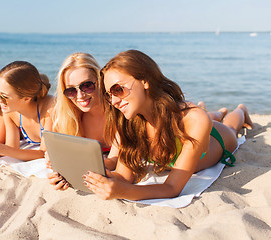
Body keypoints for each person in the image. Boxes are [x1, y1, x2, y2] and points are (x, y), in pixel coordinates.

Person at [83, 50, 253, 200]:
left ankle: (240, 110)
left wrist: (125, 192)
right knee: (206, 117)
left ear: (145, 81)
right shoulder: (130, 122)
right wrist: (91, 175)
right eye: (108, 95)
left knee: (230, 127)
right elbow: (123, 178)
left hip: (217, 140)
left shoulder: (195, 120)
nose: (113, 101)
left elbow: (172, 188)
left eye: (118, 90)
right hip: (189, 125)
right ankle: (218, 112)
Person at [46, 52, 118, 190]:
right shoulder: (67, 117)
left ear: (100, 80)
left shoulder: (117, 111)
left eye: (87, 86)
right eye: (71, 90)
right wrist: (57, 168)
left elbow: (113, 161)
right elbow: (52, 153)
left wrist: (75, 166)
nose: (80, 95)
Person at [0, 61, 54, 161]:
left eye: (4, 96)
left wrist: (1, 149)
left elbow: (43, 153)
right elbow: (12, 149)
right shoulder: (10, 112)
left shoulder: (50, 107)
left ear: (26, 98)